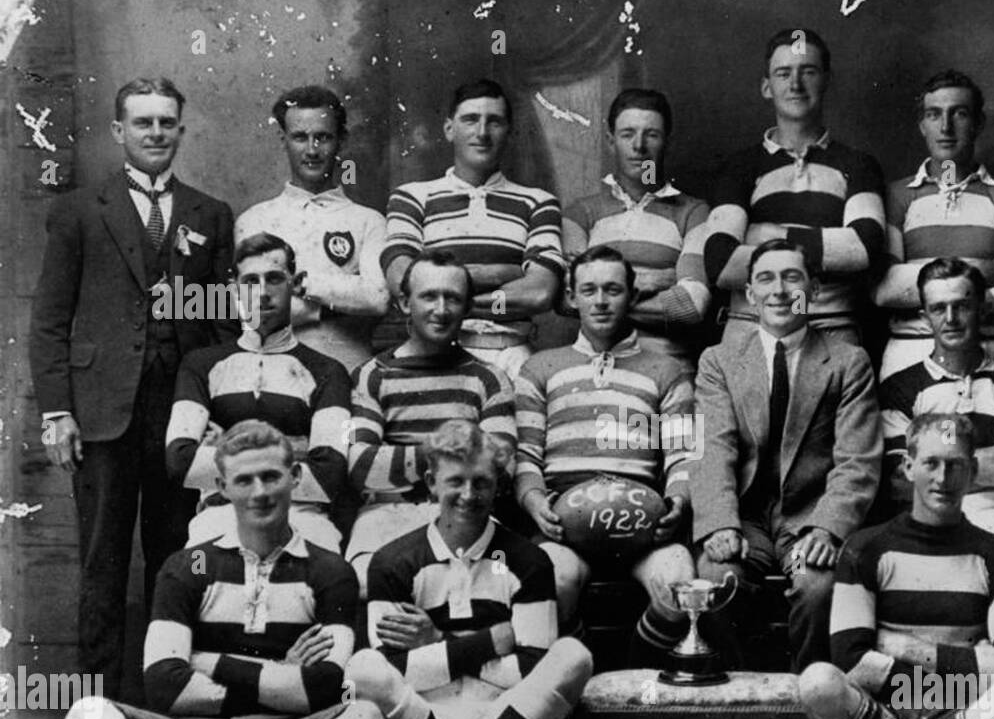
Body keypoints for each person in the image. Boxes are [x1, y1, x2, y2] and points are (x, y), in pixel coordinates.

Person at [60, 421, 385, 719]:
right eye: (244, 480)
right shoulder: (188, 566)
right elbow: (163, 686)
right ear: (221, 486)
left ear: (296, 478)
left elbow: (322, 687)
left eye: (271, 476)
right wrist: (283, 676)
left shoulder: (330, 570)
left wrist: (208, 661)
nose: (260, 492)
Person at [30, 76, 236, 706]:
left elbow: (225, 324)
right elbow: (49, 319)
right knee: (102, 559)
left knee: (178, 555)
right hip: (101, 411)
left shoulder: (210, 213)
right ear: (118, 131)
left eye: (165, 122)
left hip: (179, 411)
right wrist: (58, 411)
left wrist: (215, 410)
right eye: (141, 123)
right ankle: (90, 703)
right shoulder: (77, 211)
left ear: (181, 129)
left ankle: (168, 699)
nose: (155, 133)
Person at [781, 413, 994, 719]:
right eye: (931, 464)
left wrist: (903, 648)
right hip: (892, 711)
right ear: (908, 467)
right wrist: (970, 661)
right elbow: (851, 658)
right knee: (818, 681)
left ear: (972, 471)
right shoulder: (865, 548)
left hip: (964, 709)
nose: (943, 478)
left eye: (955, 466)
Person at [346, 421, 593, 719]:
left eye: (481, 482)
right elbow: (393, 666)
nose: (468, 494)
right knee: (361, 666)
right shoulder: (392, 562)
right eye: (455, 481)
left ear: (498, 484)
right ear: (431, 482)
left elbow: (532, 667)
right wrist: (493, 641)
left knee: (573, 656)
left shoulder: (528, 561)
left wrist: (439, 643)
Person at [693, 240, 881, 671]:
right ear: (750, 294)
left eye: (792, 278)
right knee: (715, 580)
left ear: (814, 290)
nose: (779, 291)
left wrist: (829, 529)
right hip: (745, 515)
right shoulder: (719, 361)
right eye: (766, 279)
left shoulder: (848, 362)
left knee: (819, 587)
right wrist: (720, 523)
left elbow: (857, 459)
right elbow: (711, 446)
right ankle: (742, 701)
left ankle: (806, 705)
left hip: (810, 516)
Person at [515, 246, 696, 659]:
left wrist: (679, 502)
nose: (600, 301)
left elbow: (686, 453)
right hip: (565, 527)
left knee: (678, 585)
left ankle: (632, 681)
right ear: (571, 297)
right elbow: (525, 454)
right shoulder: (540, 368)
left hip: (645, 526)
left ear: (632, 297)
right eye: (589, 290)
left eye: (613, 290)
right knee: (551, 581)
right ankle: (585, 675)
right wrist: (534, 502)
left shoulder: (666, 370)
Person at [166, 233, 351, 552]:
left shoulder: (328, 371)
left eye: (275, 278)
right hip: (219, 516)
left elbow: (329, 476)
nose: (263, 292)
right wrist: (296, 450)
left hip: (305, 519)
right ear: (234, 288)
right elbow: (180, 462)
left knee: (327, 576)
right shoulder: (200, 366)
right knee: (196, 573)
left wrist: (228, 447)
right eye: (251, 281)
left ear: (293, 285)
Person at [346, 250, 516, 594]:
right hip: (387, 516)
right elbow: (361, 466)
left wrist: (401, 459)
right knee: (367, 583)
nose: (441, 310)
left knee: (492, 588)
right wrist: (458, 452)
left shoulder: (489, 379)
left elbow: (500, 466)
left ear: (467, 307)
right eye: (428, 296)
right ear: (405, 303)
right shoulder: (370, 376)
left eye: (452, 298)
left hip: (468, 513)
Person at [704, 28, 886, 348]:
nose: (796, 84)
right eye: (783, 73)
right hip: (750, 329)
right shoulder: (739, 167)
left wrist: (765, 236)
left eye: (808, 72)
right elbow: (720, 263)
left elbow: (863, 249)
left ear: (826, 80)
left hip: (831, 327)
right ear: (766, 86)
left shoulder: (858, 164)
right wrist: (829, 247)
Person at [381, 79, 564, 379]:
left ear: (509, 131)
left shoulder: (539, 202)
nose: (481, 133)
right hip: (436, 353)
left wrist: (448, 298)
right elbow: (402, 280)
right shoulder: (412, 196)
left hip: (512, 356)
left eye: (494, 122)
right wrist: (504, 274)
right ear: (449, 129)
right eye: (470, 120)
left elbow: (539, 292)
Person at [880, 258, 994, 594]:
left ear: (981, 310)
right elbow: (897, 480)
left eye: (962, 306)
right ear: (925, 318)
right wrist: (979, 465)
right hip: (923, 517)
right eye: (939, 308)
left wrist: (933, 467)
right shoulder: (899, 388)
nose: (951, 319)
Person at [874, 70, 994, 379]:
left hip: (993, 355)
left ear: (979, 123)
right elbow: (885, 288)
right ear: (921, 125)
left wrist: (940, 297)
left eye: (960, 114)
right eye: (934, 114)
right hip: (911, 354)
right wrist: (984, 272)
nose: (946, 127)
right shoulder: (896, 196)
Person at [234, 85, 388, 373]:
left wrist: (305, 286)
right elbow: (251, 312)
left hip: (350, 376)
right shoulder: (254, 220)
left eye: (323, 137)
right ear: (283, 139)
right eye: (300, 137)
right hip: (274, 379)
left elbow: (377, 298)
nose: (312, 150)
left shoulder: (370, 221)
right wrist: (333, 304)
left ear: (341, 140)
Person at [561, 89, 710, 368]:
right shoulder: (579, 214)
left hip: (666, 364)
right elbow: (565, 299)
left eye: (651, 135)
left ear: (667, 141)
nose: (639, 146)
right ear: (610, 140)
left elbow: (692, 306)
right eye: (627, 134)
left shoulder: (694, 212)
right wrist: (656, 282)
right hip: (593, 364)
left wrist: (601, 296)